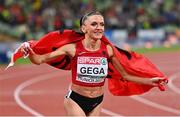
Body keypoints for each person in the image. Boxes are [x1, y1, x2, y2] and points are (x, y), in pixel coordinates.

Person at [20, 11, 167, 116]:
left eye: (102, 24)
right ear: (84, 28)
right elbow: (39, 60)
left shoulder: (108, 50)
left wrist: (150, 81)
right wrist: (31, 53)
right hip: (76, 100)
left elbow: (124, 75)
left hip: (97, 101)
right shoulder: (72, 48)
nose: (99, 27)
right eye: (94, 24)